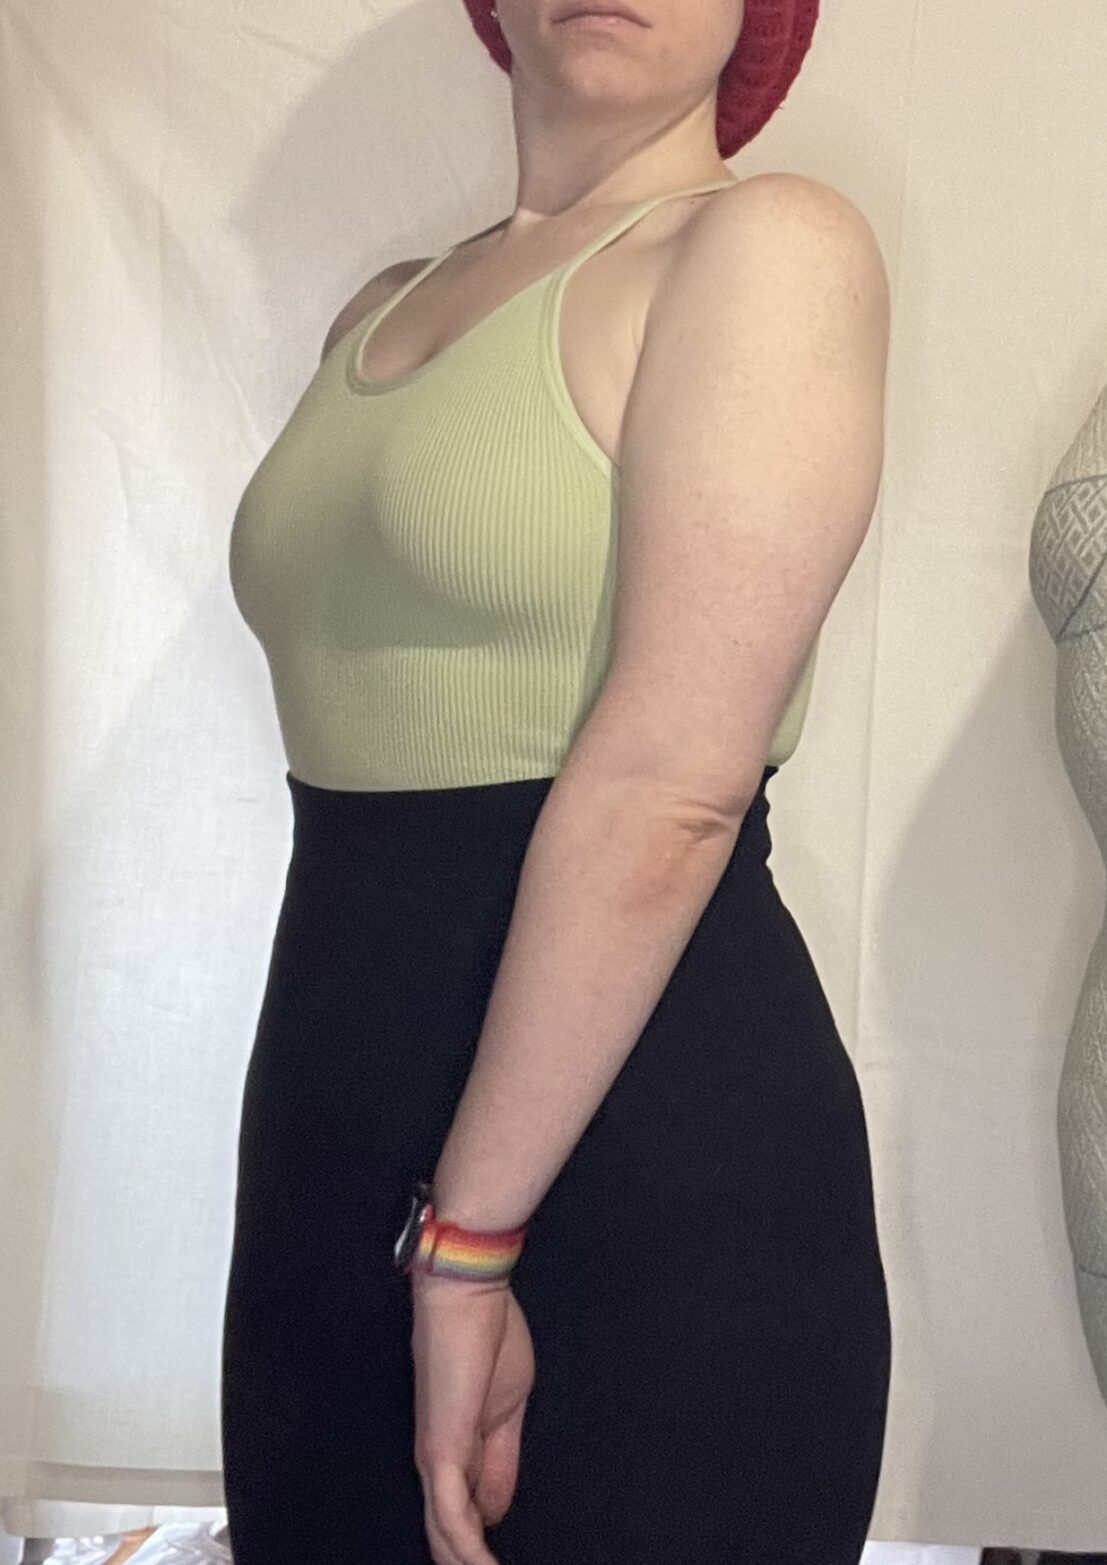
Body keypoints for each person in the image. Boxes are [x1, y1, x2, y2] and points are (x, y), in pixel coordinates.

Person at [219, 0, 892, 1560]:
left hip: (639, 1172)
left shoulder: (766, 250)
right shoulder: (381, 309)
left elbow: (674, 783)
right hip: (331, 1136)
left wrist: (469, 1242)